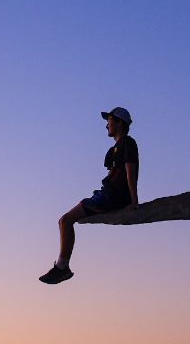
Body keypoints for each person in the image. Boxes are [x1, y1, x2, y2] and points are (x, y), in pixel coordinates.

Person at [39, 107, 139, 284]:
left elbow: (131, 171)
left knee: (65, 220)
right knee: (68, 217)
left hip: (111, 198)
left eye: (109, 121)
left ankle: (62, 268)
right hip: (106, 195)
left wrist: (133, 201)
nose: (106, 125)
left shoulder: (127, 143)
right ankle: (62, 267)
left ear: (119, 123)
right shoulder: (115, 149)